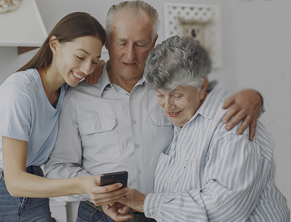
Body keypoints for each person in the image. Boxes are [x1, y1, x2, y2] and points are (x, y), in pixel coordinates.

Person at [44, 1, 266, 222]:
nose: (130, 55)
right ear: (108, 42)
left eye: (140, 43)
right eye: (121, 43)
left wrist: (255, 97)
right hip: (99, 215)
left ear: (153, 43)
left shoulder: (171, 86)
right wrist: (101, 192)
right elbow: (57, 168)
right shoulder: (77, 96)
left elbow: (212, 102)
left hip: (164, 214)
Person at [0, 12, 129, 222]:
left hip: (35, 185)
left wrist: (100, 67)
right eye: (80, 57)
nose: (87, 68)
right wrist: (84, 184)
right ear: (54, 45)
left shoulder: (68, 91)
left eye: (94, 61)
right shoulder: (19, 92)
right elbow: (14, 183)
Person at [105, 35, 290, 222]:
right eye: (160, 94)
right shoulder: (182, 120)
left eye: (177, 95)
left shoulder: (232, 122)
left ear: (202, 87)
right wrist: (136, 205)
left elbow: (225, 209)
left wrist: (146, 203)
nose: (167, 106)